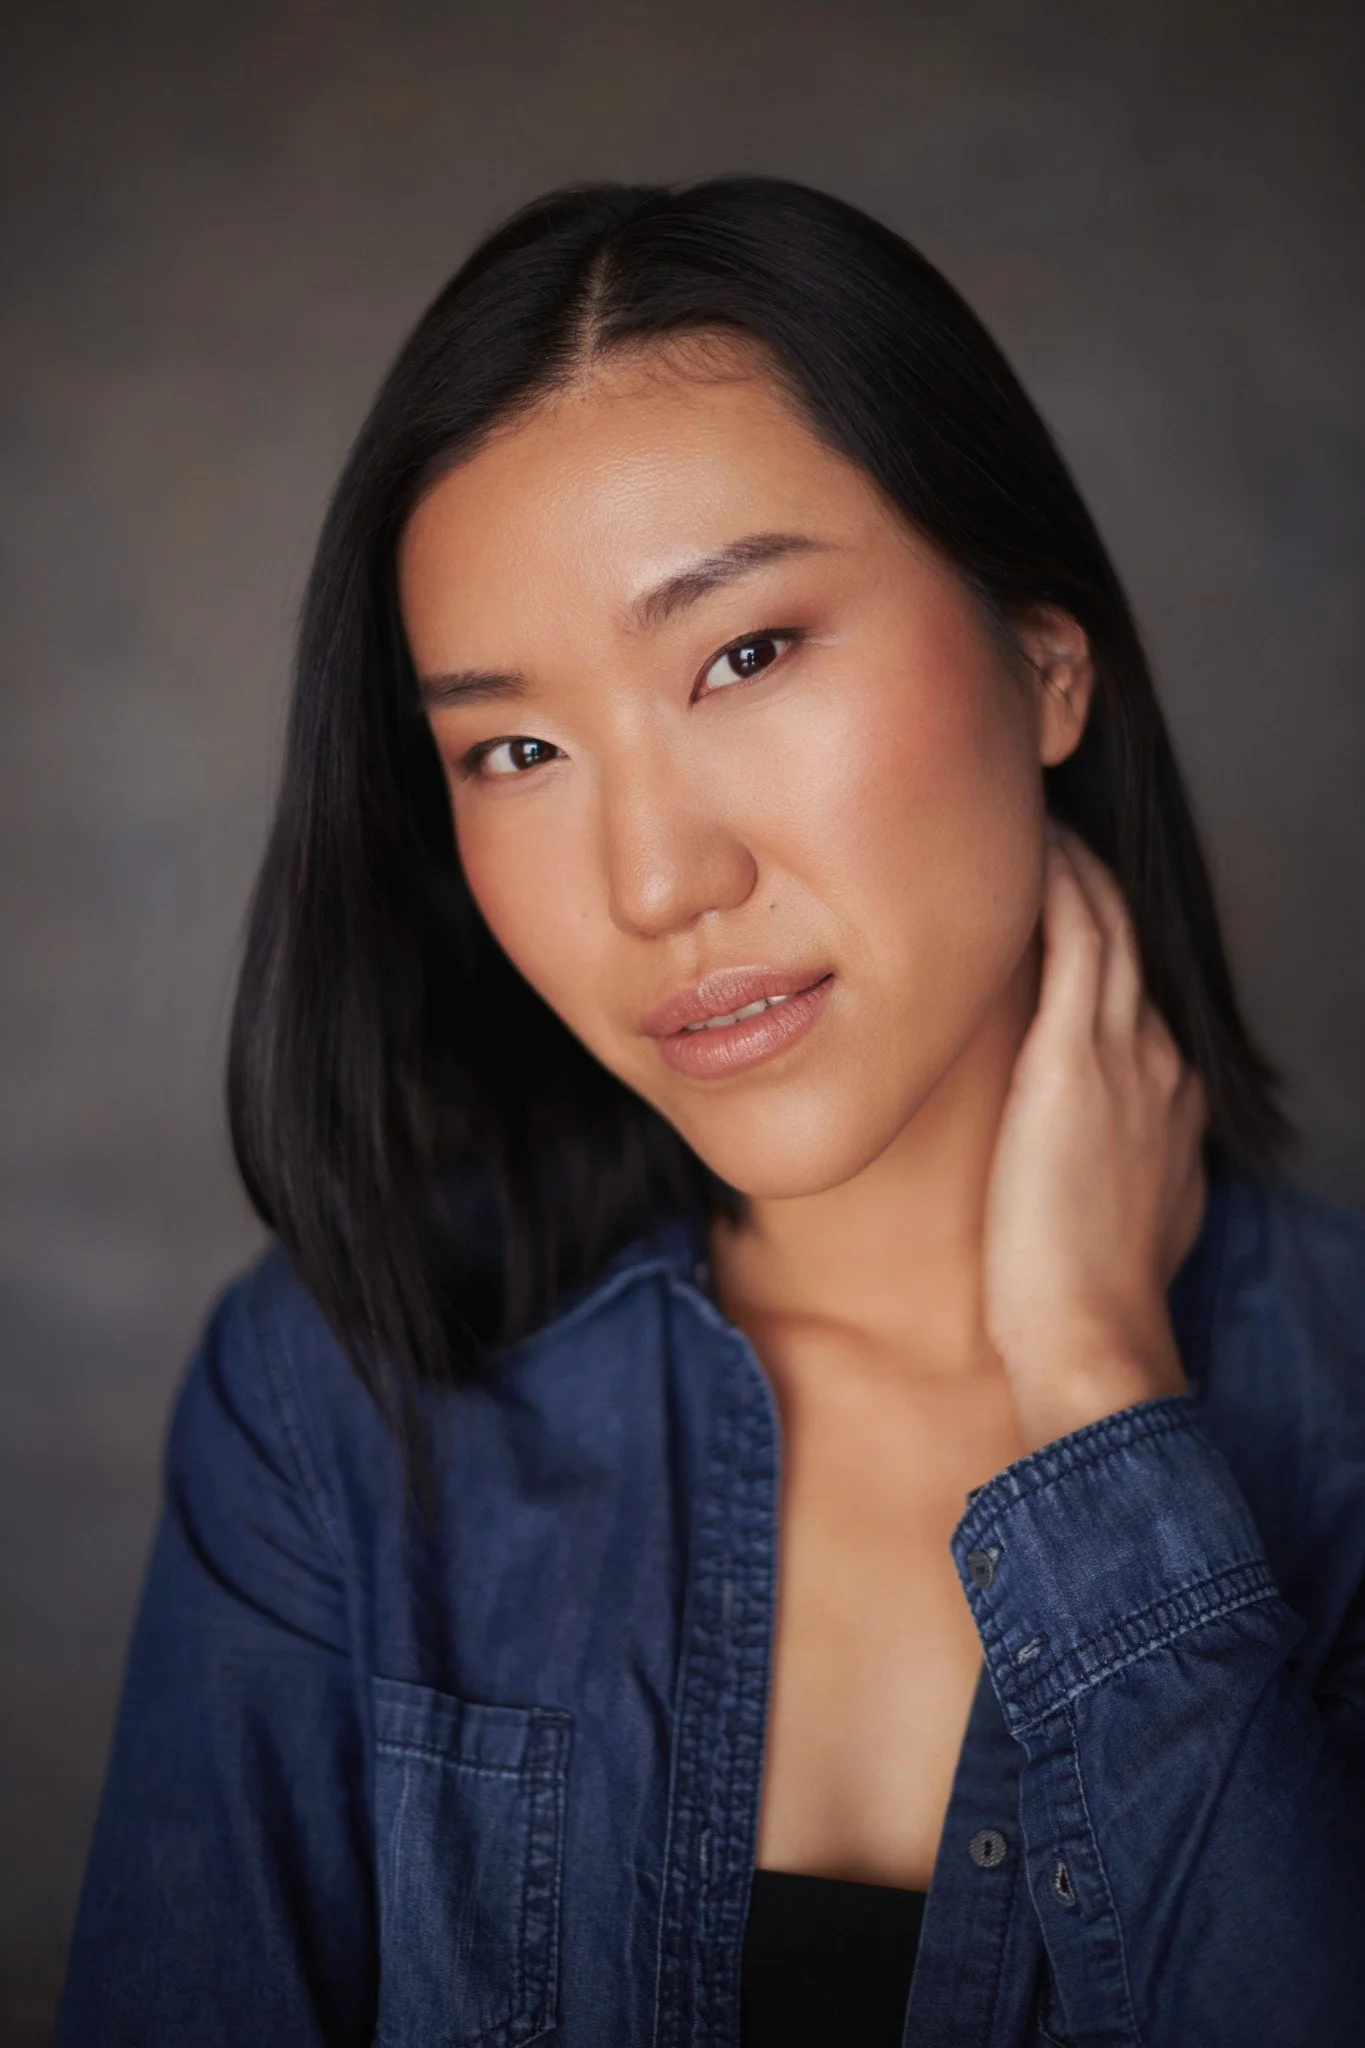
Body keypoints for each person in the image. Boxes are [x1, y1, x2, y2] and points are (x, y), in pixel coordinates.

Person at [56, 177, 1365, 2048]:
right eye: (514, 749)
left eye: (742, 654)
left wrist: (1100, 1391)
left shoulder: (1338, 1413)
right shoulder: (335, 1413)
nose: (656, 880)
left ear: (1046, 660)